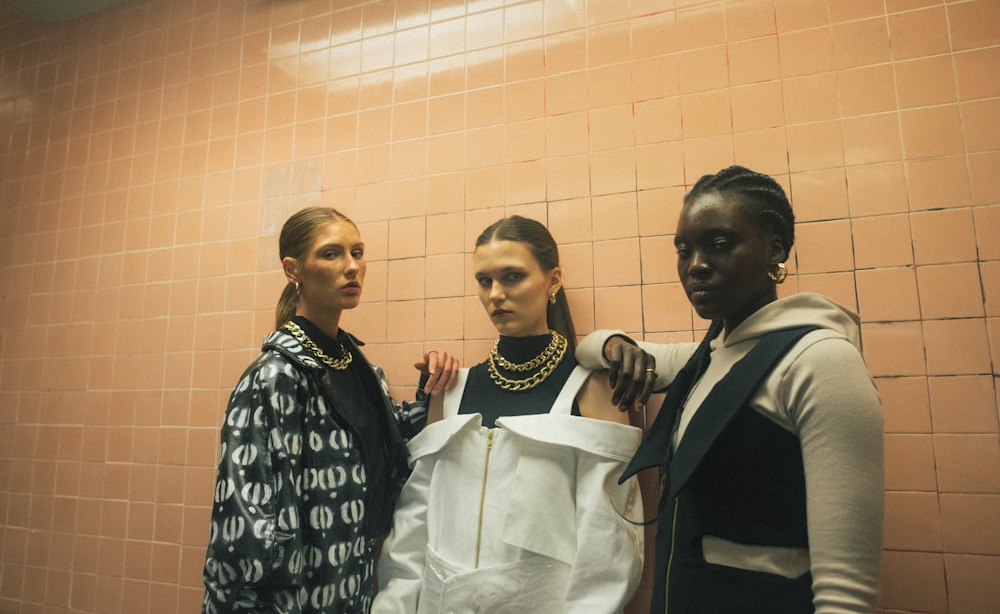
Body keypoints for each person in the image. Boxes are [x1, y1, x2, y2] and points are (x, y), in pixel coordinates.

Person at [576, 165, 884, 613]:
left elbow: (846, 594)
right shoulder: (706, 357)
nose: (696, 265)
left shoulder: (819, 361)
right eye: (684, 250)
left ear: (774, 249)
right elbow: (586, 350)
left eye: (719, 245)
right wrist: (615, 344)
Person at [372, 215, 644, 614]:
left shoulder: (592, 390)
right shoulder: (450, 391)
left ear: (553, 281)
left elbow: (609, 544)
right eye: (485, 281)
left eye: (512, 276)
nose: (496, 294)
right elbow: (414, 523)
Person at [202, 206, 458, 614]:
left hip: (354, 581)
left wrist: (433, 385)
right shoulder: (275, 376)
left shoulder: (359, 368)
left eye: (357, 253)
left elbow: (391, 453)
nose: (352, 267)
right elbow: (245, 519)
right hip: (293, 596)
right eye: (331, 254)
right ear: (293, 270)